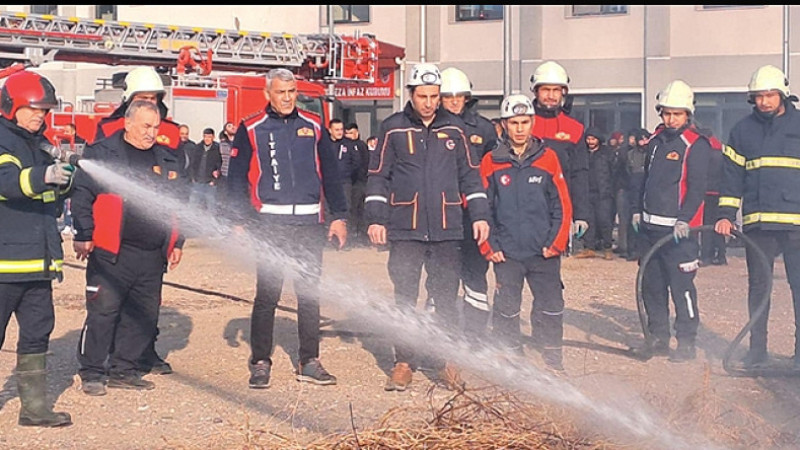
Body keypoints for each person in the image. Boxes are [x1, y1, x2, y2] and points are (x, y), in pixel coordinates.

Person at [365, 62, 490, 392]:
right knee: (405, 294)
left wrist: (479, 214)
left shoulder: (456, 130)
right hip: (405, 227)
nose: (429, 103)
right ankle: (404, 361)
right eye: (423, 96)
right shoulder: (392, 128)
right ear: (411, 94)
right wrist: (376, 219)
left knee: (446, 298)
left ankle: (446, 360)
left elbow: (470, 176)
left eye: (435, 96)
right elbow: (378, 176)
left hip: (448, 228)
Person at [225, 68, 347, 389]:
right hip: (270, 224)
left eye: (292, 91)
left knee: (308, 294)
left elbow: (331, 173)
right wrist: (238, 220)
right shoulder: (251, 128)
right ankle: (261, 361)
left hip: (309, 223)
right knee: (268, 295)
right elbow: (236, 178)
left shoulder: (313, 125)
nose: (288, 97)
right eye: (281, 92)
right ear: (268, 94)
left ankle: (309, 360)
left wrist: (338, 216)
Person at [71, 100, 187, 396]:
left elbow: (179, 204)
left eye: (156, 127)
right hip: (112, 252)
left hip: (151, 253)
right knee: (104, 311)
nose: (151, 133)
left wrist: (178, 241)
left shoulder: (167, 158)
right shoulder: (104, 153)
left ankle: (124, 368)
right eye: (146, 126)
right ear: (128, 123)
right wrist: (84, 233)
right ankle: (93, 371)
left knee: (144, 315)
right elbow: (82, 194)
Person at [93, 66, 180, 374]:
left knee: (146, 305)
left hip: (153, 237)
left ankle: (144, 352)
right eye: (143, 97)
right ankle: (103, 357)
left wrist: (176, 237)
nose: (149, 103)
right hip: (117, 235)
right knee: (108, 303)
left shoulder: (169, 130)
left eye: (154, 98)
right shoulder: (107, 130)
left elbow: (177, 188)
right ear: (129, 100)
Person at [0, 70, 73, 427]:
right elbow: (7, 183)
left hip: (38, 262)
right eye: (32, 109)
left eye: (44, 111)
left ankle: (34, 407)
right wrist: (43, 176)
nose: (39, 117)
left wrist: (65, 184)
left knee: (37, 332)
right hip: (4, 263)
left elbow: (48, 199)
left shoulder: (40, 145)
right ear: (11, 106)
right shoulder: (2, 140)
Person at [715, 65, 800, 369]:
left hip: (796, 227)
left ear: (783, 95)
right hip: (758, 225)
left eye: (770, 95)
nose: (764, 101)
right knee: (759, 290)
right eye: (759, 96)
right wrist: (725, 214)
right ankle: (757, 351)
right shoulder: (742, 131)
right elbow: (731, 178)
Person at [479, 94, 572, 371]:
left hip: (543, 251)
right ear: (504, 125)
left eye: (524, 122)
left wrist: (556, 243)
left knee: (551, 304)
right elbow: (483, 209)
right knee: (507, 306)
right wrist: (489, 247)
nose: (519, 128)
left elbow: (563, 205)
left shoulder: (549, 159)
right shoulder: (490, 161)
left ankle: (552, 352)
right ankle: (510, 352)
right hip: (506, 253)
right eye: (513, 122)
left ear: (532, 123)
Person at [631, 80, 711, 362]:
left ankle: (686, 341)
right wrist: (637, 210)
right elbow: (644, 180)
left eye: (677, 114)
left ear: (687, 114)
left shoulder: (695, 145)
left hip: (679, 233)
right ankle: (658, 338)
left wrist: (685, 219)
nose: (671, 118)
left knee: (682, 288)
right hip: (651, 230)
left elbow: (697, 187)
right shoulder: (654, 142)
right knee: (652, 286)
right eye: (666, 113)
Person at [438, 67, 498, 341]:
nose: (453, 102)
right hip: (440, 214)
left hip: (473, 215)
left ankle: (475, 336)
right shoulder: (429, 127)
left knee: (475, 275)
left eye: (458, 97)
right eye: (447, 96)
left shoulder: (484, 129)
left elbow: (494, 171)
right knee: (441, 278)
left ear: (467, 98)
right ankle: (441, 334)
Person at [529, 61, 590, 246]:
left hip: (558, 208)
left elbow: (580, 174)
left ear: (564, 92)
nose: (551, 95)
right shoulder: (522, 124)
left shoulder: (575, 129)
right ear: (535, 91)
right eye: (545, 89)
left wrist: (581, 215)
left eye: (556, 90)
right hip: (525, 207)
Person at [574, 127, 615, 260]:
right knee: (588, 221)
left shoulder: (607, 153)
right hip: (586, 191)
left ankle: (607, 248)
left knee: (605, 221)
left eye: (593, 139)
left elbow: (614, 172)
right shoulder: (581, 154)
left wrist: (610, 189)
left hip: (603, 193)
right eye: (588, 138)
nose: (590, 141)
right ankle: (589, 248)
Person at [624, 128, 651, 261]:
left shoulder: (652, 153)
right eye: (641, 139)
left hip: (648, 188)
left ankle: (643, 249)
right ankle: (632, 249)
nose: (644, 142)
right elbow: (626, 170)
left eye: (646, 139)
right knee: (633, 220)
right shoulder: (630, 154)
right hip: (634, 187)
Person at [344, 122, 370, 247]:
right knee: (352, 210)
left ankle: (363, 236)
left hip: (363, 182)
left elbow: (366, 163)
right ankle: (352, 235)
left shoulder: (361, 146)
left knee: (362, 210)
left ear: (357, 133)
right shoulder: (344, 146)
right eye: (347, 133)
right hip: (351, 183)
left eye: (352, 133)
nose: (349, 135)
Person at [187, 127, 222, 215]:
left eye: (209, 137)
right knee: (193, 204)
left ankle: (211, 224)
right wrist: (193, 177)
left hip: (210, 183)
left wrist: (214, 180)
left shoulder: (217, 149)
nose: (207, 139)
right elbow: (192, 163)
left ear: (213, 137)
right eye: (205, 136)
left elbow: (219, 165)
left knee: (211, 205)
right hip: (197, 181)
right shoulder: (198, 147)